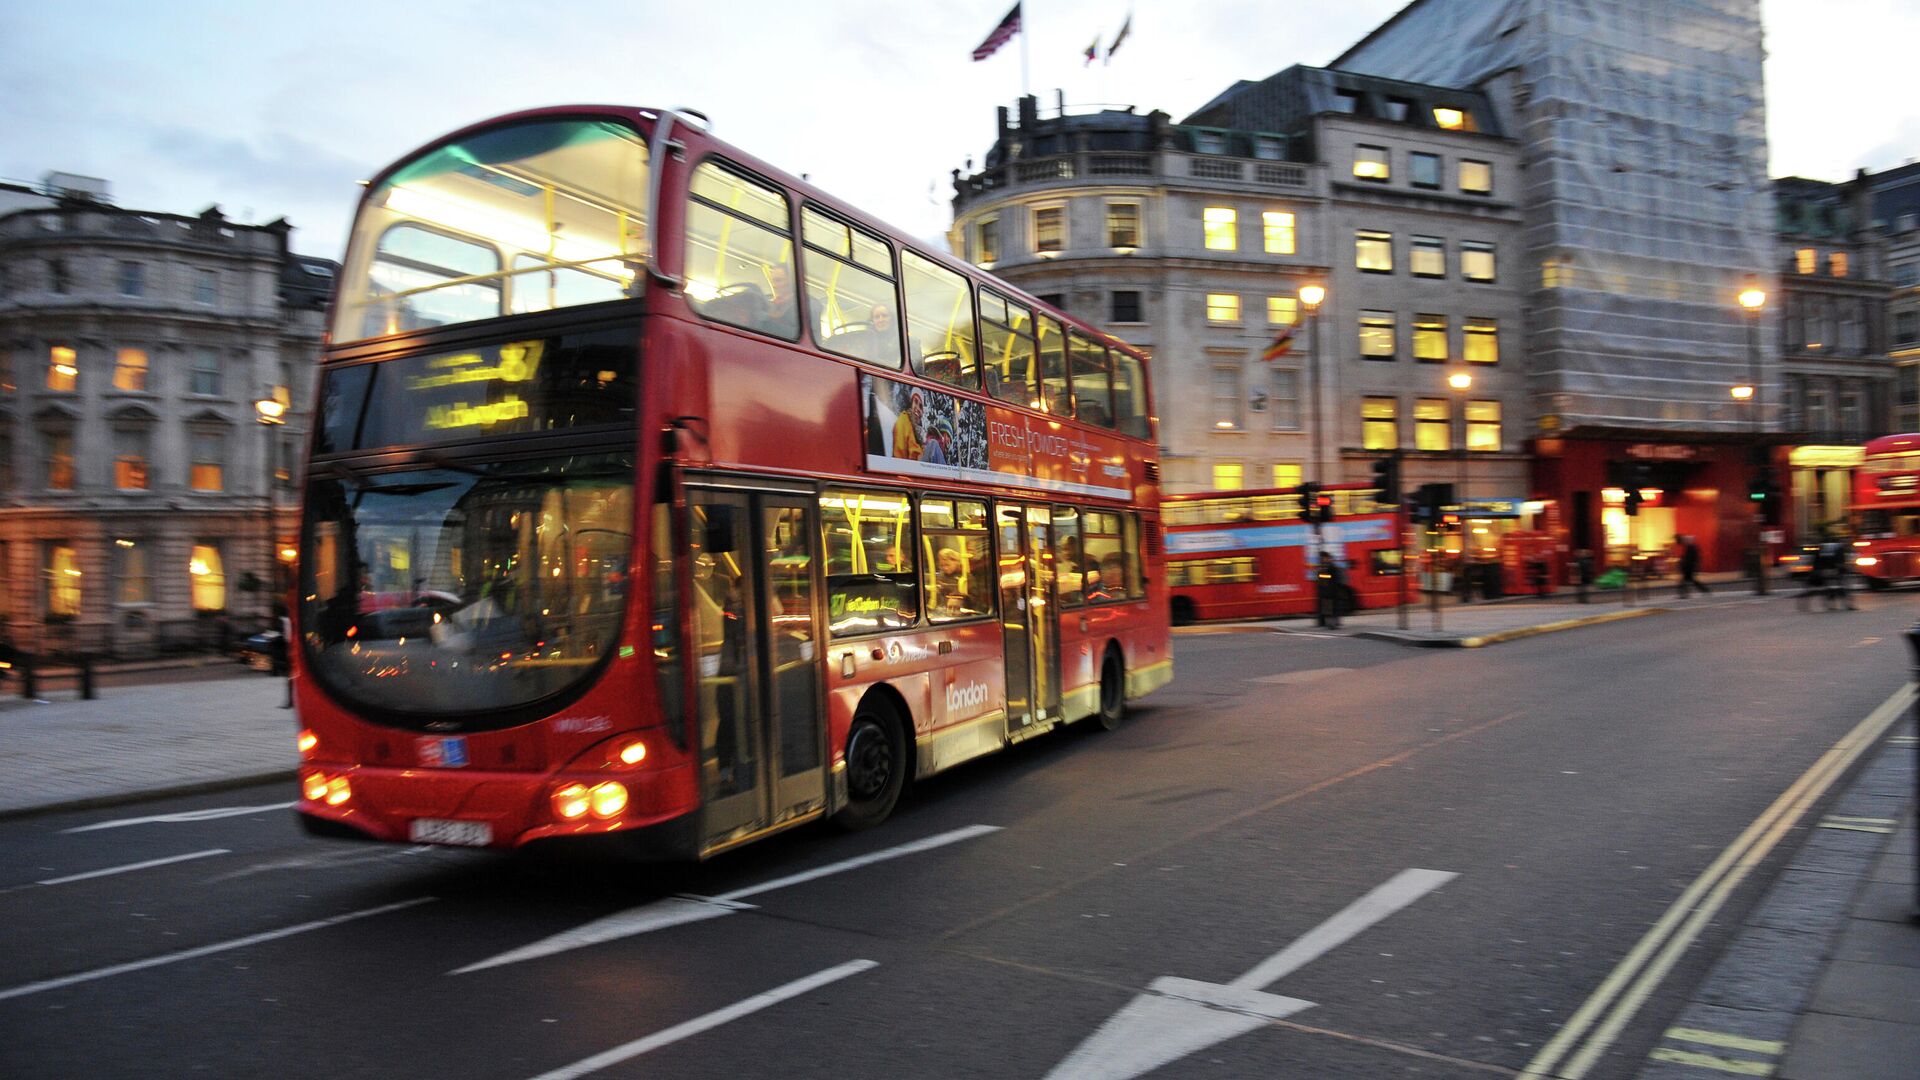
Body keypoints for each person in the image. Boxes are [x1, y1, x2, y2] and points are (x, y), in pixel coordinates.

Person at [1823, 540, 1857, 611]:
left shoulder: (1840, 550)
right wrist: (1847, 567)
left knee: (1838, 589)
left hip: (1838, 573)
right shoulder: (1841, 551)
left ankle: (1833, 605)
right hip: (1840, 573)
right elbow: (1839, 563)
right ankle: (1847, 605)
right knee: (1844, 589)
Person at [891, 389, 925, 460]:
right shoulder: (904, 419)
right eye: (915, 402)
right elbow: (899, 454)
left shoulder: (917, 432)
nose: (918, 408)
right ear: (911, 403)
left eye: (921, 406)